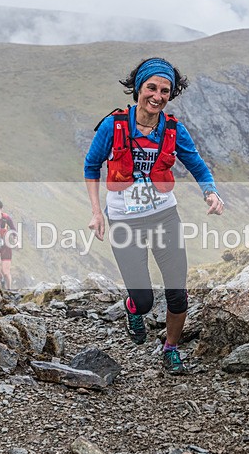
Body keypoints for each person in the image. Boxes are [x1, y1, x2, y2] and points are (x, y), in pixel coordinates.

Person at [84, 57, 224, 375]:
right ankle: (133, 308)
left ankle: (171, 350)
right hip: (123, 220)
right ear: (138, 88)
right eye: (151, 87)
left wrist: (211, 192)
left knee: (177, 292)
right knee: (145, 300)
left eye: (165, 90)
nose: (157, 96)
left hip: (164, 216)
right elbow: (91, 166)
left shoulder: (173, 129)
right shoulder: (114, 125)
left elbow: (198, 165)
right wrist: (96, 212)